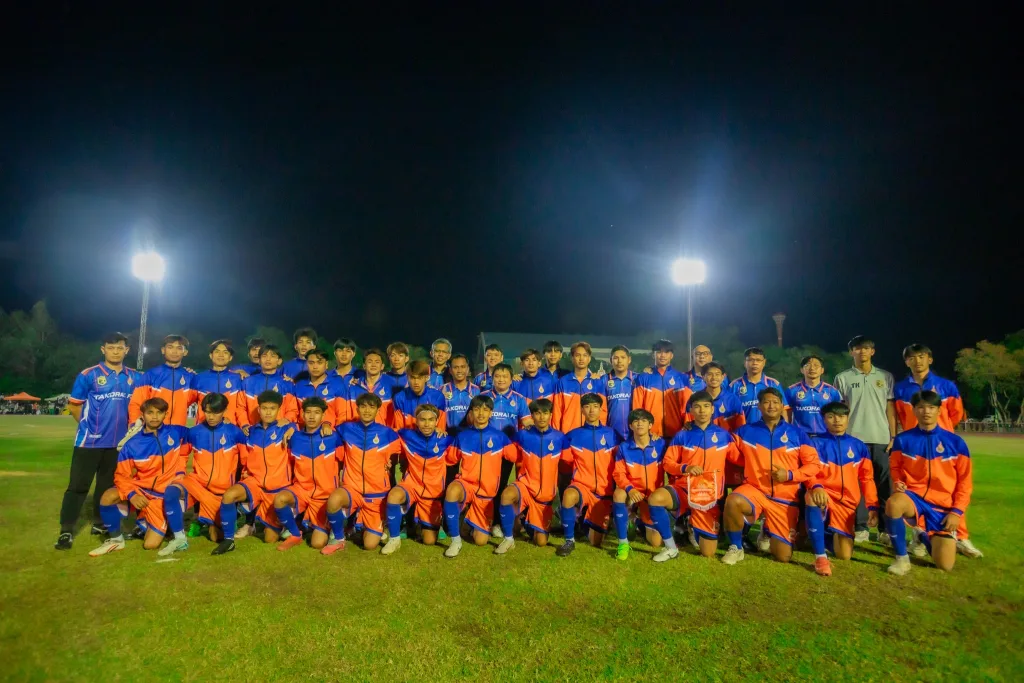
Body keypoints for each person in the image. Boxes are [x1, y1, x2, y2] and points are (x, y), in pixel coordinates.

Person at [55, 332, 141, 550]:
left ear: (126, 350)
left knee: (106, 486)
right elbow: (75, 405)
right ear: (103, 349)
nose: (115, 352)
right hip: (89, 443)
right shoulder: (89, 375)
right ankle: (66, 530)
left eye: (119, 348)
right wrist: (89, 427)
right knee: (78, 486)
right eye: (111, 348)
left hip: (118, 445)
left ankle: (100, 524)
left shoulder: (135, 377)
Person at [893, 344, 979, 558]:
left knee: (950, 489)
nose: (917, 361)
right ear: (906, 362)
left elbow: (956, 414)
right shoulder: (901, 388)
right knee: (915, 489)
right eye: (912, 358)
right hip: (915, 445)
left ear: (930, 359)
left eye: (922, 356)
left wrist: (944, 432)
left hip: (943, 446)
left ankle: (961, 536)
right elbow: (902, 415)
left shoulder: (946, 386)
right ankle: (918, 535)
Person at [720, 388, 820, 566]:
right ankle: (736, 547)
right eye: (766, 402)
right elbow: (728, 450)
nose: (771, 406)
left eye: (775, 402)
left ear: (782, 406)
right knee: (733, 500)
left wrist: (790, 475)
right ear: (759, 406)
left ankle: (767, 529)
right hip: (755, 490)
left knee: (783, 556)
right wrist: (695, 428)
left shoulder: (797, 434)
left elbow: (813, 465)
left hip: (785, 498)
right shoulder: (745, 432)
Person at [885, 391, 973, 575]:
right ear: (914, 410)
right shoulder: (903, 440)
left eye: (931, 407)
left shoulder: (956, 443)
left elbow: (965, 482)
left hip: (942, 505)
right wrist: (898, 481)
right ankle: (902, 559)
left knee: (945, 565)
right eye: (921, 407)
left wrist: (956, 512)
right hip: (914, 497)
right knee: (894, 503)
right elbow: (895, 467)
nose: (926, 411)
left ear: (939, 410)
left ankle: (922, 535)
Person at [89, 398, 190, 556]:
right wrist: (132, 495)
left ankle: (153, 521)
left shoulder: (176, 432)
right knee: (108, 497)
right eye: (150, 413)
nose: (155, 417)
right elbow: (121, 476)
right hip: (141, 489)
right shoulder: (132, 444)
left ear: (165, 414)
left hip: (162, 495)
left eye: (159, 412)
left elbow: (201, 433)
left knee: (150, 545)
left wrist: (226, 423)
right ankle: (116, 540)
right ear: (142, 415)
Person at [648, 390, 741, 561]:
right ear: (691, 410)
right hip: (685, 488)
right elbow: (668, 463)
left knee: (708, 553)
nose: (702, 411)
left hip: (710, 494)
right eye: (697, 407)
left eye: (706, 406)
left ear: (712, 409)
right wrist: (685, 468)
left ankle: (691, 523)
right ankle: (671, 547)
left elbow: (739, 460)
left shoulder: (723, 435)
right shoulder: (682, 435)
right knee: (656, 498)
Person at [211, 391, 296, 554]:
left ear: (279, 410)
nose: (268, 412)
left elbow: (305, 434)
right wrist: (225, 420)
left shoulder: (287, 429)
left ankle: (284, 520)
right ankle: (228, 541)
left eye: (272, 408)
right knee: (229, 495)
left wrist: (293, 426)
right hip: (255, 483)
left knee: (269, 538)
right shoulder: (250, 432)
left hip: (276, 488)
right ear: (258, 409)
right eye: (264, 408)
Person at [833, 335, 897, 544]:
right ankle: (860, 526)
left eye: (866, 348)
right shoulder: (842, 378)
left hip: (881, 438)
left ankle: (885, 529)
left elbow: (890, 408)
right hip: (854, 439)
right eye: (858, 348)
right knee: (856, 484)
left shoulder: (885, 377)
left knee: (884, 485)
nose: (862, 352)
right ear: (851, 352)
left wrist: (893, 435)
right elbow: (840, 410)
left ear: (873, 351)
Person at [803, 401, 879, 576]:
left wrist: (872, 506)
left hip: (847, 503)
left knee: (844, 555)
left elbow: (867, 478)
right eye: (831, 417)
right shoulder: (814, 443)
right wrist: (817, 486)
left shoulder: (859, 446)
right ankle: (820, 557)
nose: (837, 420)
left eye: (841, 416)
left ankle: (824, 533)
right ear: (823, 419)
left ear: (847, 418)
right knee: (811, 497)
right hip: (824, 494)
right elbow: (808, 471)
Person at [320, 393, 403, 554]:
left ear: (378, 410)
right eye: (363, 406)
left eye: (371, 407)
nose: (367, 410)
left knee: (369, 545)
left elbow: (400, 453)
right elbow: (324, 433)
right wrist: (325, 423)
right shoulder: (345, 429)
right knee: (334, 499)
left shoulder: (388, 433)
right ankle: (338, 538)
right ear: (357, 409)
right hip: (353, 488)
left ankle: (368, 525)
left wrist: (389, 462)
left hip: (376, 494)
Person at [166, 392, 248, 554]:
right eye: (208, 412)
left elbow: (246, 459)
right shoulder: (194, 432)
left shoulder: (235, 432)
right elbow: (183, 454)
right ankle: (178, 537)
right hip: (198, 484)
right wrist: (180, 471)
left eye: (215, 412)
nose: (211, 416)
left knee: (215, 537)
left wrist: (245, 475)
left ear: (224, 411)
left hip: (222, 492)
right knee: (171, 491)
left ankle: (221, 516)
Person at [441, 395, 518, 558]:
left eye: (485, 410)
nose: (481, 413)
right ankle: (455, 541)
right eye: (476, 409)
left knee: (481, 541)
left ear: (491, 413)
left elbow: (515, 456)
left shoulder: (500, 437)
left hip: (486, 494)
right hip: (467, 485)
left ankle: (468, 522)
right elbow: (449, 459)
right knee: (452, 490)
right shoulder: (462, 436)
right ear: (471, 413)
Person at [494, 398, 570, 554]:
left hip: (545, 497)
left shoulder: (560, 438)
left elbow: (567, 464)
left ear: (550, 415)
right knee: (507, 495)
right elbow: (509, 452)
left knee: (540, 542)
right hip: (526, 486)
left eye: (545, 413)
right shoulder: (522, 435)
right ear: (532, 416)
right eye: (537, 413)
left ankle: (523, 518)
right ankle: (508, 539)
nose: (541, 417)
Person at [272, 397, 343, 552]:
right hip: (302, 490)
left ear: (323, 416)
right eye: (308, 412)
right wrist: (292, 425)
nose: (312, 416)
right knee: (280, 499)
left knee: (317, 543)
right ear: (302, 415)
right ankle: (295, 534)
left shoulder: (333, 437)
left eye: (317, 413)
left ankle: (332, 528)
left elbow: (346, 459)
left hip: (324, 494)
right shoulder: (294, 437)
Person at [381, 404, 454, 555]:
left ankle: (422, 523)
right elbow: (382, 436)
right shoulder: (406, 435)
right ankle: (394, 539)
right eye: (422, 420)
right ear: (416, 421)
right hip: (412, 485)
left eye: (431, 420)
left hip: (432, 494)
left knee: (429, 541)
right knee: (394, 495)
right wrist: (385, 459)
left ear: (437, 421)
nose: (426, 424)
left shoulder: (446, 440)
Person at [556, 393, 620, 557]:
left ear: (601, 409)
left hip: (604, 493)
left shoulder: (613, 435)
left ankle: (582, 518)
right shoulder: (572, 435)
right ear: (582, 410)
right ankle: (569, 540)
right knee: (569, 495)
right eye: (587, 407)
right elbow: (564, 465)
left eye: (595, 406)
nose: (591, 410)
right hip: (582, 486)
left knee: (595, 542)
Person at [483, 363, 533, 537]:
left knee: (501, 485)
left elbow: (527, 422)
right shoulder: (484, 397)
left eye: (505, 376)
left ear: (511, 379)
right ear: (492, 378)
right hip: (486, 450)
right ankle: (481, 520)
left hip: (508, 450)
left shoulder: (519, 399)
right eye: (497, 376)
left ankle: (497, 523)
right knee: (485, 485)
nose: (501, 380)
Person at [610, 409, 666, 560]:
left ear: (650, 425)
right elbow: (618, 473)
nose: (639, 423)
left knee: (656, 542)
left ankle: (635, 520)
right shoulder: (624, 447)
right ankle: (623, 543)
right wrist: (630, 489)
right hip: (632, 492)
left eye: (644, 421)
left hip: (652, 495)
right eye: (636, 421)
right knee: (618, 494)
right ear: (630, 426)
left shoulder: (661, 444)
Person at [127, 334, 197, 426]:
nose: (174, 351)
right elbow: (136, 403)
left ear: (185, 352)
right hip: (154, 431)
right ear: (163, 350)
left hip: (178, 432)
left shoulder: (191, 377)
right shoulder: (150, 375)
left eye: (179, 348)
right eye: (170, 347)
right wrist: (134, 425)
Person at [631, 339, 690, 439]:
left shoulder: (682, 378)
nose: (662, 355)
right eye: (659, 352)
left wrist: (687, 426)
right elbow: (637, 408)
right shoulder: (643, 378)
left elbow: (687, 406)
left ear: (672, 355)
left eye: (666, 352)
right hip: (651, 435)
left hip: (677, 433)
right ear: (653, 355)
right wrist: (645, 431)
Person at [238, 345, 299, 429]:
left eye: (272, 356)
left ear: (279, 361)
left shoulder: (287, 384)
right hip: (253, 431)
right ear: (259, 360)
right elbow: (240, 407)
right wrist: (244, 424)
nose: (268, 359)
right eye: (264, 356)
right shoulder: (247, 382)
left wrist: (286, 420)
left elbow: (293, 409)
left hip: (278, 431)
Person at [552, 342, 608, 432]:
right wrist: (556, 434)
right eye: (578, 355)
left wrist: (599, 432)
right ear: (572, 358)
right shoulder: (563, 382)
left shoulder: (597, 382)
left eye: (585, 355)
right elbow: (557, 412)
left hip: (591, 433)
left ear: (589, 358)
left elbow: (603, 410)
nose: (581, 359)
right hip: (568, 433)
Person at [785, 355, 841, 437]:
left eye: (816, 365)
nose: (812, 368)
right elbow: (786, 416)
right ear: (802, 370)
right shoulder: (791, 391)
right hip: (800, 437)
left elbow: (838, 415)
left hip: (826, 437)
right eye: (807, 365)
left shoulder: (832, 391)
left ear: (822, 370)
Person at [728, 347, 788, 424]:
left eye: (758, 360)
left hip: (768, 429)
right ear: (745, 363)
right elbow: (728, 412)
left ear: (764, 362)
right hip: (743, 430)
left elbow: (783, 409)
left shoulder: (774, 384)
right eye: (751, 360)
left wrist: (784, 428)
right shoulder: (734, 386)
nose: (755, 363)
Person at [194, 339, 246, 425]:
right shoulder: (198, 378)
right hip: (204, 428)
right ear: (211, 355)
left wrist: (244, 424)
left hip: (230, 428)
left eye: (225, 352)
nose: (221, 355)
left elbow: (242, 407)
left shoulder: (238, 379)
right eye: (217, 351)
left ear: (230, 357)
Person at [293, 349, 350, 427]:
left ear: (326, 364)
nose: (315, 367)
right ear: (307, 364)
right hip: (304, 432)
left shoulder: (337, 385)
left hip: (330, 432)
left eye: (319, 363)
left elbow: (342, 415)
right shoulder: (299, 386)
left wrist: (334, 431)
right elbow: (293, 412)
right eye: (311, 363)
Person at [392, 360, 448, 431]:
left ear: (427, 378)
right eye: (412, 378)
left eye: (420, 378)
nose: (416, 382)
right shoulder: (399, 398)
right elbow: (399, 430)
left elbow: (440, 431)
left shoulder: (437, 397)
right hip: (407, 437)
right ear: (407, 377)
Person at [348, 348, 398, 425]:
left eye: (377, 362)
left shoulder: (392, 386)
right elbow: (349, 415)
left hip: (384, 431)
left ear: (382, 366)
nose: (373, 365)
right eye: (370, 362)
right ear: (364, 366)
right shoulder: (354, 387)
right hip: (359, 431)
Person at [697, 362, 745, 432]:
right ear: (703, 377)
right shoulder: (696, 399)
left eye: (717, 374)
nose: (714, 378)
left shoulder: (733, 399)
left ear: (723, 377)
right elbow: (689, 423)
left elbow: (740, 427)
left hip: (726, 438)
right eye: (710, 374)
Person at [603, 346, 636, 443]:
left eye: (623, 357)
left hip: (635, 433)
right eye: (616, 358)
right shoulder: (603, 380)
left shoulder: (638, 379)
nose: (619, 361)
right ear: (611, 360)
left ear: (629, 360)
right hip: (611, 434)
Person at [440, 353, 480, 435]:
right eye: (455, 367)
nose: (459, 371)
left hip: (470, 436)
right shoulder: (442, 389)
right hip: (448, 436)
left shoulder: (476, 390)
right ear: (450, 370)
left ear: (468, 369)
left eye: (463, 367)